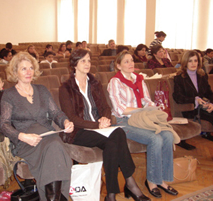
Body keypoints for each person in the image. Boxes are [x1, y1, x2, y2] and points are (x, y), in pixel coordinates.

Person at [59, 49, 150, 201]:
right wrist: (97, 125)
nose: (87, 64)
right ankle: (129, 184)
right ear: (74, 64)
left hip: (99, 128)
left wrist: (105, 119)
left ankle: (112, 194)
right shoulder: (66, 88)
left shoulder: (94, 83)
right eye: (83, 61)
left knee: (118, 135)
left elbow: (106, 108)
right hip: (78, 131)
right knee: (113, 141)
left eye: (88, 60)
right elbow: (72, 118)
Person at [0, 52, 74, 200]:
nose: (29, 72)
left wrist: (65, 121)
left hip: (47, 134)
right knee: (56, 148)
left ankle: (53, 198)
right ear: (15, 72)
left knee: (54, 145)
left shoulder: (42, 90)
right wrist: (22, 136)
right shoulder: (8, 95)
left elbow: (55, 113)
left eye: (31, 68)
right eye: (23, 69)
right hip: (25, 140)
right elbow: (4, 124)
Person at [108, 51, 178, 199]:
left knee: (167, 135)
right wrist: (141, 110)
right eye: (126, 61)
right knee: (155, 139)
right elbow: (120, 108)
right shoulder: (115, 82)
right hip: (124, 122)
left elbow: (147, 99)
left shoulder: (139, 79)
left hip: (142, 118)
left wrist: (152, 107)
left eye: (132, 60)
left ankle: (162, 180)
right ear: (118, 65)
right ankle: (152, 182)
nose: (131, 64)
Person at [173, 50, 213, 143]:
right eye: (190, 61)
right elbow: (178, 97)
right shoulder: (179, 78)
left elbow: (209, 93)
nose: (193, 63)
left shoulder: (202, 75)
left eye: (195, 60)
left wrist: (211, 103)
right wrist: (195, 100)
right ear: (185, 62)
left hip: (204, 106)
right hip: (190, 109)